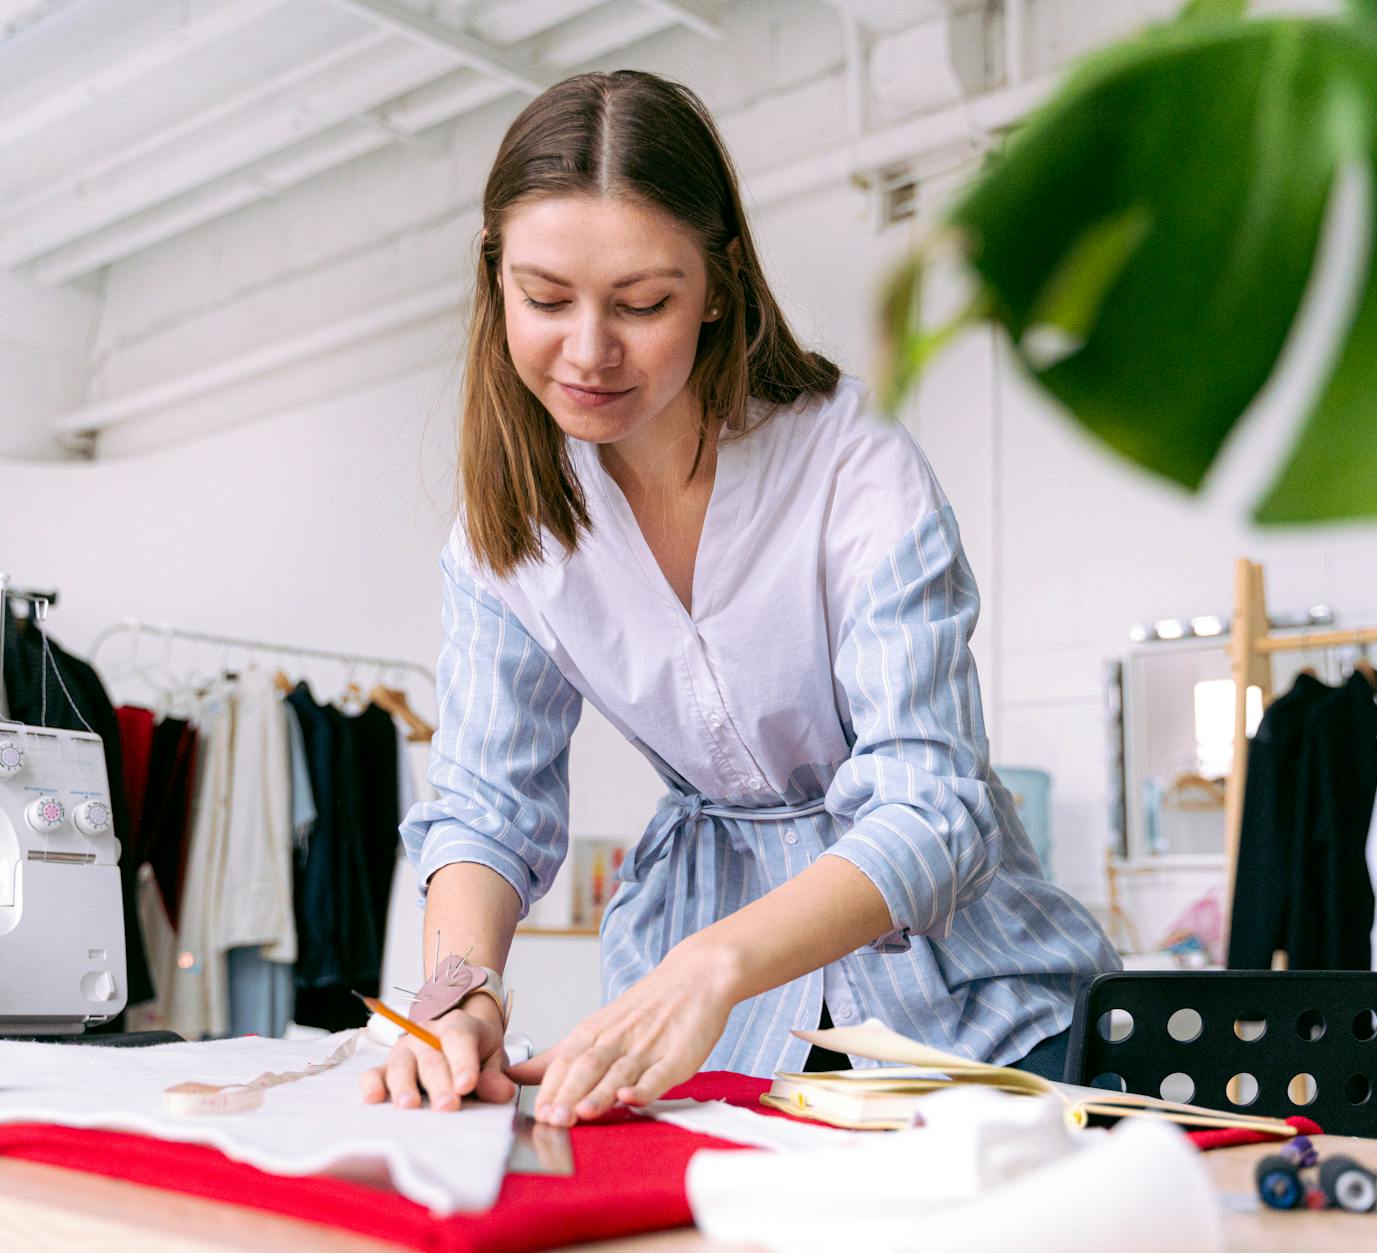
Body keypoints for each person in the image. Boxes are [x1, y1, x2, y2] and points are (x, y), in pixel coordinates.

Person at [359, 69, 1118, 1128]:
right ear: (495, 282)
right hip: (724, 1046)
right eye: (542, 298)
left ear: (716, 286)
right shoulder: (509, 530)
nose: (587, 350)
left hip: (976, 1014)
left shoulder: (851, 467)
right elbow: (486, 805)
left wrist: (718, 961)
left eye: (641, 303)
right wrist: (456, 990)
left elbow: (931, 807)